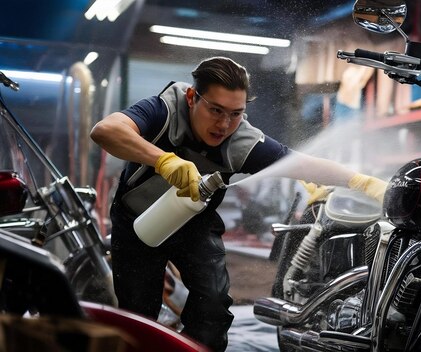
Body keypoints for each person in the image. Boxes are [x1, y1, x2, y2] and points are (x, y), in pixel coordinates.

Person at [89, 56, 387, 351]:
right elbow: (105, 130)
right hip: (137, 221)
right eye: (215, 110)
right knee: (139, 317)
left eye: (235, 113)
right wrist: (163, 160)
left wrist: (362, 182)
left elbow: (301, 163)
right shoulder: (163, 110)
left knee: (213, 307)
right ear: (192, 98)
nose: (224, 124)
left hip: (194, 223)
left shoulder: (241, 140)